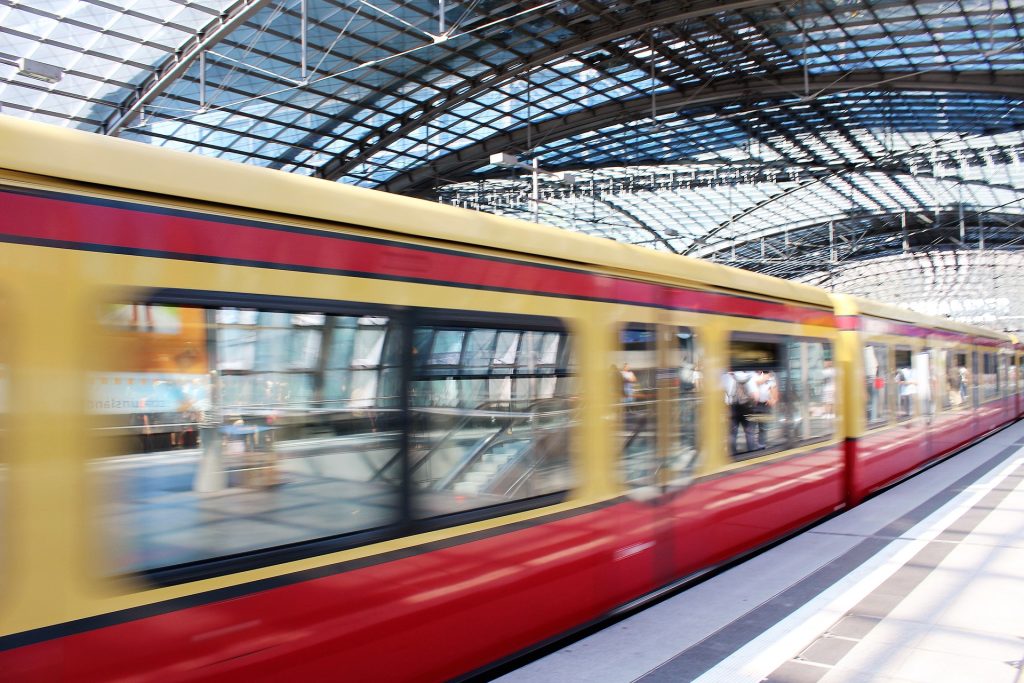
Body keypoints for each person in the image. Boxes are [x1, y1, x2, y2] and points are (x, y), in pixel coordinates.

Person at [724, 369, 757, 456]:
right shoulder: (749, 376)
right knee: (750, 432)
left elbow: (725, 393)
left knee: (732, 434)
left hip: (733, 407)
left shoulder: (728, 377)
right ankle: (752, 454)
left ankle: (733, 455)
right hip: (746, 408)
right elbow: (755, 395)